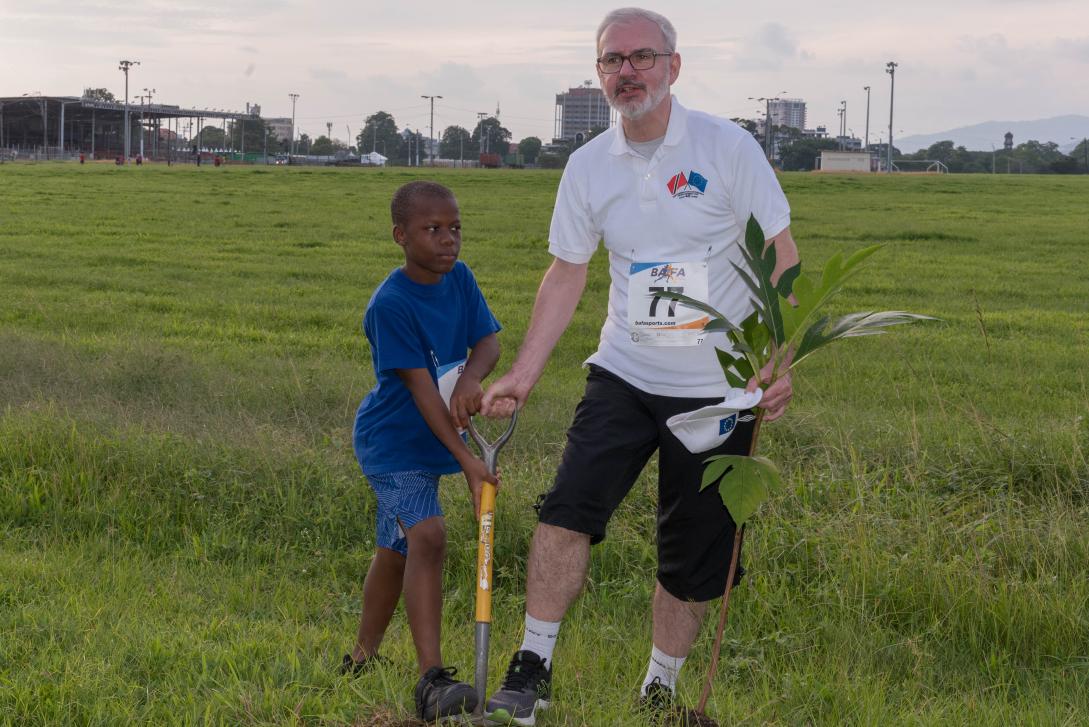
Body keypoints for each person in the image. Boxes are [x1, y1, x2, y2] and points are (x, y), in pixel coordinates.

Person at [479, 8, 799, 726]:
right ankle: (530, 670)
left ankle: (658, 689)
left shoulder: (727, 147)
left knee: (690, 553)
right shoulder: (588, 164)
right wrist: (524, 371)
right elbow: (566, 271)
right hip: (622, 371)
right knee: (567, 509)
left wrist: (776, 360)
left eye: (641, 58)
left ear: (672, 67)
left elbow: (781, 254)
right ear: (598, 75)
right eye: (611, 61)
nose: (626, 72)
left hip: (719, 387)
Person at [345, 180, 502, 722]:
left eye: (454, 228)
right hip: (394, 446)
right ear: (400, 236)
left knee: (397, 550)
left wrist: (471, 381)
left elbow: (488, 342)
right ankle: (431, 681)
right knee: (429, 537)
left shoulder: (460, 281)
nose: (447, 240)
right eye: (432, 230)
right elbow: (420, 394)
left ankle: (361, 657)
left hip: (434, 440)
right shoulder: (390, 304)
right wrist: (468, 463)